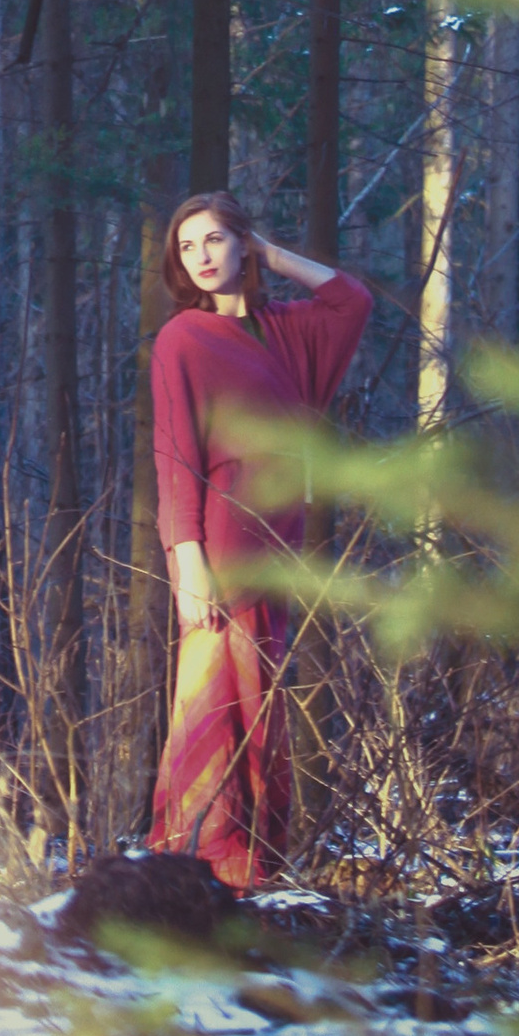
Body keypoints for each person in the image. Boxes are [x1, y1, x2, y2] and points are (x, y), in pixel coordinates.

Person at [147, 191, 371, 890]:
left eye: (214, 240)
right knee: (214, 702)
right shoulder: (183, 337)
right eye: (188, 247)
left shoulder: (289, 331)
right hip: (221, 543)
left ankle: (254, 867)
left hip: (280, 546)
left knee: (262, 708)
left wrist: (273, 255)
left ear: (243, 244)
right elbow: (174, 453)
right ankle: (200, 861)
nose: (201, 257)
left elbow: (351, 302)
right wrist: (187, 558)